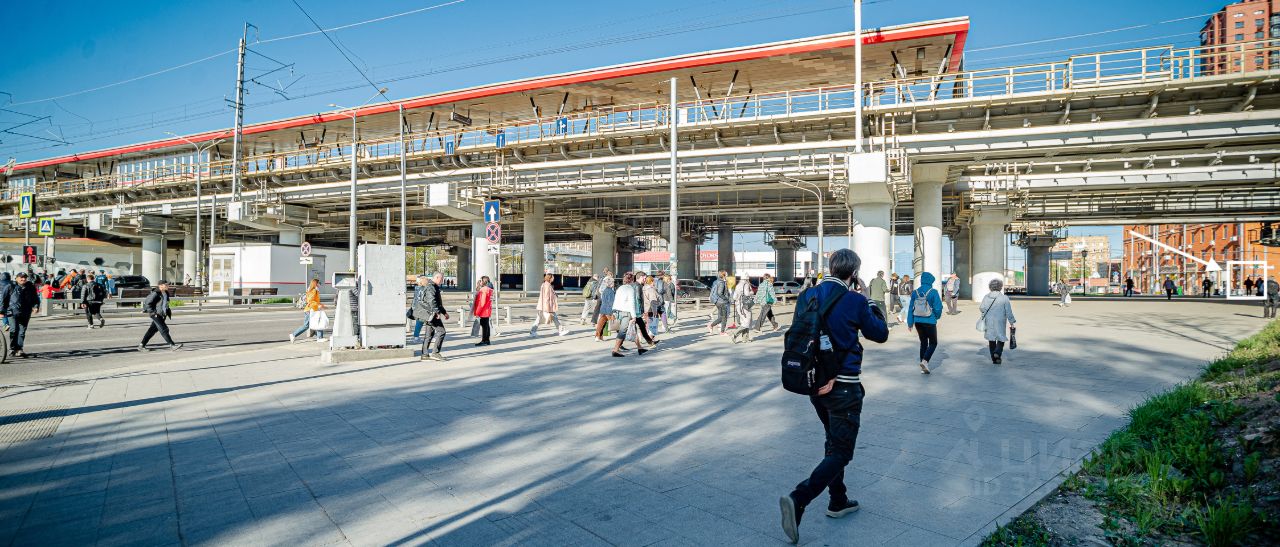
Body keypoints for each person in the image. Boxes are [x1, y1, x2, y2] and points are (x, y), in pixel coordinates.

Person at [778, 249, 889, 545]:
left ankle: (838, 500)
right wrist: (870, 301)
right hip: (844, 386)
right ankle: (799, 499)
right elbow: (880, 334)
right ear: (854, 273)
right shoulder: (854, 300)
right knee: (842, 451)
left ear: (830, 268)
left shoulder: (807, 295)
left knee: (832, 440)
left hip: (816, 384)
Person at [905, 272, 943, 374]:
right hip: (929, 320)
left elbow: (910, 308)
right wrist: (936, 316)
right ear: (930, 281)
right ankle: (925, 361)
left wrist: (910, 323)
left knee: (923, 343)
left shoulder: (915, 292)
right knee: (933, 342)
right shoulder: (933, 292)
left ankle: (923, 366)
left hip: (918, 321)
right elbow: (938, 307)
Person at [979, 279, 1016, 364]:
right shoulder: (1004, 298)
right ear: (1000, 287)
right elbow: (1008, 311)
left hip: (989, 320)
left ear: (990, 287)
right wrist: (1012, 322)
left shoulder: (986, 297)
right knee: (1001, 337)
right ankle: (997, 353)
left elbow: (982, 308)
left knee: (991, 339)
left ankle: (995, 359)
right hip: (1000, 320)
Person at [414, 273, 449, 361]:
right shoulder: (431, 287)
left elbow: (437, 302)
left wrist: (444, 312)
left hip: (428, 314)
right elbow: (432, 301)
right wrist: (437, 312)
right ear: (437, 277)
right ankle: (435, 353)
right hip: (432, 314)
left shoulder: (431, 286)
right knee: (441, 331)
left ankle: (425, 355)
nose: (442, 280)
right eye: (441, 278)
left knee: (429, 334)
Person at [611, 272, 647, 357]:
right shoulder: (630, 289)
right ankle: (615, 350)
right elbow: (632, 303)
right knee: (623, 331)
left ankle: (640, 348)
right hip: (626, 312)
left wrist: (614, 311)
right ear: (632, 280)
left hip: (618, 311)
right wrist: (634, 316)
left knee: (633, 329)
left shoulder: (620, 288)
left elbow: (616, 300)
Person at [139, 280, 182, 351]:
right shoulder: (155, 293)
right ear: (160, 286)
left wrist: (166, 311)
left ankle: (141, 345)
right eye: (166, 285)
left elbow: (165, 303)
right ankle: (172, 345)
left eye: (168, 285)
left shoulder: (166, 293)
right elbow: (147, 303)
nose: (168, 286)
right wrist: (153, 313)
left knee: (151, 331)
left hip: (162, 314)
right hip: (156, 315)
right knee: (164, 329)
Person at [5, 273, 40, 358]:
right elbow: (4, 299)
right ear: (16, 278)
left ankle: (19, 349)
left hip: (25, 312)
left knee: (22, 331)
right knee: (14, 330)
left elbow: (35, 298)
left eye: (25, 278)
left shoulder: (30, 287)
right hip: (12, 312)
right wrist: (2, 311)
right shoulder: (11, 286)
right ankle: (12, 349)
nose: (23, 279)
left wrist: (36, 306)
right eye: (21, 277)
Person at [289, 278, 324, 343]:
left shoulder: (314, 290)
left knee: (316, 323)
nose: (320, 284)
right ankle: (293, 335)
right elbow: (310, 300)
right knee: (310, 324)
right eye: (319, 283)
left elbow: (315, 300)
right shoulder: (314, 290)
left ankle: (319, 337)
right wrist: (318, 305)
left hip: (311, 309)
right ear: (315, 283)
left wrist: (321, 305)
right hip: (310, 309)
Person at [707, 270, 731, 335]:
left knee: (722, 317)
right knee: (724, 317)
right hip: (722, 301)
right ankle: (722, 332)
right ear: (723, 275)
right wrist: (726, 299)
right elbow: (719, 293)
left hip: (718, 301)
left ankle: (711, 326)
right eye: (726, 274)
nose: (727, 275)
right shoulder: (722, 283)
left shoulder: (717, 281)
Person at [641, 273, 663, 344]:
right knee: (653, 325)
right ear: (651, 281)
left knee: (648, 325)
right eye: (653, 281)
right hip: (651, 309)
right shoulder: (651, 290)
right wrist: (655, 312)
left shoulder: (643, 288)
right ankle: (650, 340)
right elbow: (653, 301)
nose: (654, 282)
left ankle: (647, 339)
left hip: (646, 309)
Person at [472, 276, 493, 346]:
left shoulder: (483, 290)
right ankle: (487, 340)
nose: (480, 282)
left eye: (481, 281)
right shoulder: (489, 289)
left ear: (484, 281)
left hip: (483, 311)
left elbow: (482, 302)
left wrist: (478, 312)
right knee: (486, 325)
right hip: (487, 309)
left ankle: (484, 340)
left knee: (484, 325)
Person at [594, 276, 616, 341]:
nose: (614, 284)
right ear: (611, 283)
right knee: (616, 324)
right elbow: (611, 302)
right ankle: (620, 338)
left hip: (603, 309)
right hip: (609, 310)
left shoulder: (604, 290)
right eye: (613, 282)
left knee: (601, 324)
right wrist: (613, 311)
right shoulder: (611, 292)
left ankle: (598, 336)